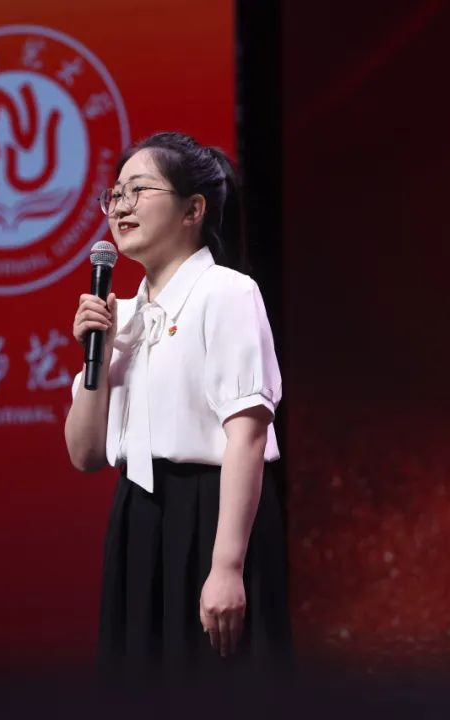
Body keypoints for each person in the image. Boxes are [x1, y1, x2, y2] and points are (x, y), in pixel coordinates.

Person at [64, 132, 290, 685]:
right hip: (137, 517)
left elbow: (247, 437)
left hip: (212, 513)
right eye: (115, 194)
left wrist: (227, 566)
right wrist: (98, 355)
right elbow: (85, 454)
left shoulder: (226, 293)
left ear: (193, 210)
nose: (120, 207)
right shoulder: (119, 317)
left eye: (138, 191)